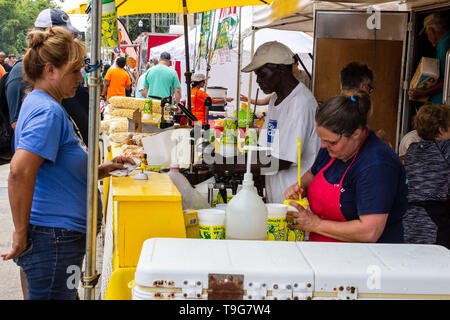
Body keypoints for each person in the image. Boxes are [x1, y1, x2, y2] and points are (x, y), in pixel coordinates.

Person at [0, 27, 135, 300]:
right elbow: (18, 171)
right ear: (50, 70)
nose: (80, 78)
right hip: (53, 240)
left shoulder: (41, 102)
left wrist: (102, 170)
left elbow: (56, 171)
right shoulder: (47, 111)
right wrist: (20, 232)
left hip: (57, 238)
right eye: (74, 71)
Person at [284, 92, 408, 243]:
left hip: (367, 260)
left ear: (356, 133)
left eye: (331, 142)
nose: (323, 146)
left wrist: (314, 224)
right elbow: (312, 173)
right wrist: (300, 186)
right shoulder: (332, 148)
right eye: (322, 140)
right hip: (326, 253)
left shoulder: (377, 165)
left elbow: (370, 231)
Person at [231, 41, 320, 204]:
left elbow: (283, 161)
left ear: (280, 69)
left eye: (261, 74)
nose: (257, 80)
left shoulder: (301, 103)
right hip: (278, 199)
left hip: (296, 202)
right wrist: (231, 159)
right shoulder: (275, 99)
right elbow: (264, 148)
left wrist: (230, 165)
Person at [5, 8, 90, 147]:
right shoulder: (47, 110)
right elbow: (19, 127)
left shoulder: (52, 97)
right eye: (60, 35)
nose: (68, 42)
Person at [403, 104, 450, 248]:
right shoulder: (445, 147)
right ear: (441, 130)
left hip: (408, 216)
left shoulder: (412, 149)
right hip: (434, 215)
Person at [409, 13, 450, 104]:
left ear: (431, 30)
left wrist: (424, 93)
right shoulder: (447, 39)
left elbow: (447, 80)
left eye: (427, 34)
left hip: (443, 103)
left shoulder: (443, 45)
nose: (428, 38)